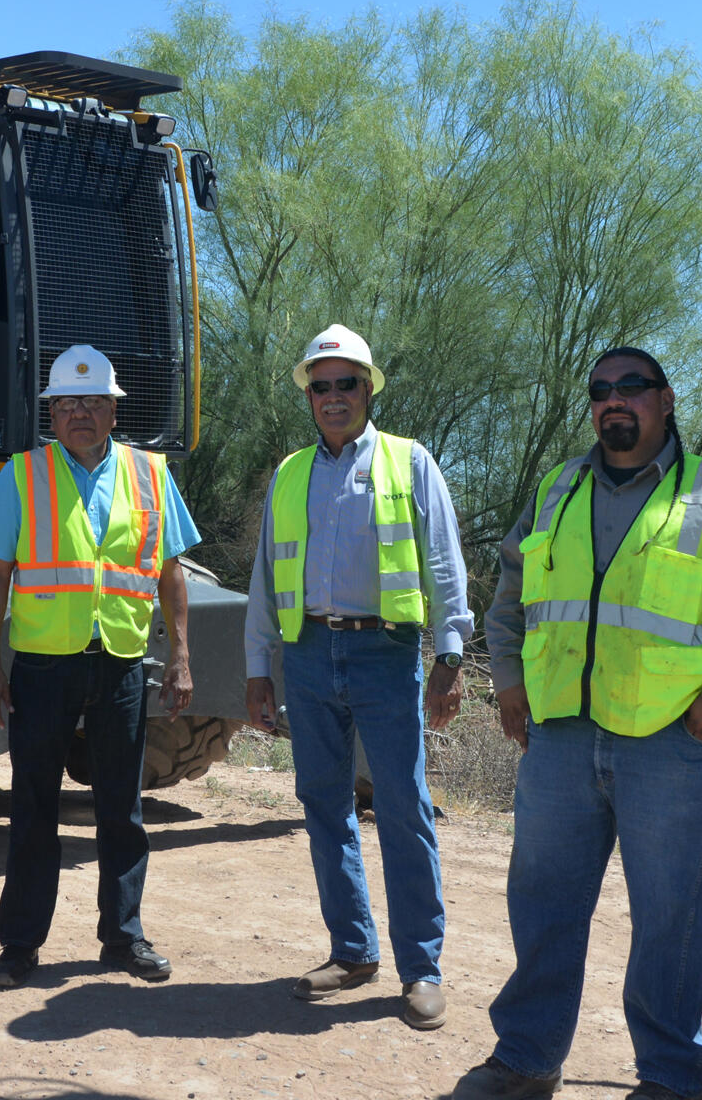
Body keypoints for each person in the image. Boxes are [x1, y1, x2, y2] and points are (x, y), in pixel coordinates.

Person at [448, 346, 702, 1100]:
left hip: (672, 743)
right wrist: (507, 680)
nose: (615, 401)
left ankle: (668, 1076)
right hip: (561, 738)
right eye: (601, 390)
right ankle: (527, 1057)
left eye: (631, 388)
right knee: (542, 904)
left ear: (665, 400)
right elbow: (511, 593)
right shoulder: (558, 490)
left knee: (669, 917)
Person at [243, 323, 472, 1032]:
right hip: (307, 653)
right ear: (309, 397)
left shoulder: (409, 462)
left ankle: (422, 969)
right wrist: (258, 668)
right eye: (321, 385)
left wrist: (451, 655)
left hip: (385, 654)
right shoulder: (289, 474)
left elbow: (443, 563)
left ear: (368, 389)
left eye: (347, 383)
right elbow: (263, 578)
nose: (333, 396)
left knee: (403, 808)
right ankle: (352, 950)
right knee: (323, 804)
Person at [0, 344, 201, 988]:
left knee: (122, 809)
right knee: (33, 805)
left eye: (92, 400)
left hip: (123, 664)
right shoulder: (21, 474)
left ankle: (123, 937)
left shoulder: (151, 474)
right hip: (43, 666)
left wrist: (180, 654)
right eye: (67, 402)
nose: (79, 412)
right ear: (51, 411)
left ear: (112, 410)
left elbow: (170, 573)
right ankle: (19, 944)